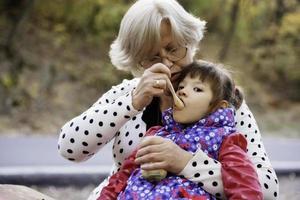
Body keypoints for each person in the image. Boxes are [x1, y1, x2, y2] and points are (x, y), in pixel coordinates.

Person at [58, 0, 279, 199]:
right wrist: (132, 102)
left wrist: (186, 163)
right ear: (136, 60)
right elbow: (70, 149)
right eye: (152, 57)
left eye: (173, 49)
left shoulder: (224, 102)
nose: (167, 64)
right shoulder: (128, 93)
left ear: (190, 42)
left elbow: (268, 190)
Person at [99, 61, 263, 200]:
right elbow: (122, 176)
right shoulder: (156, 133)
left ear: (219, 107)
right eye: (181, 87)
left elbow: (245, 187)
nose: (182, 91)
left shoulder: (225, 139)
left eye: (197, 89)